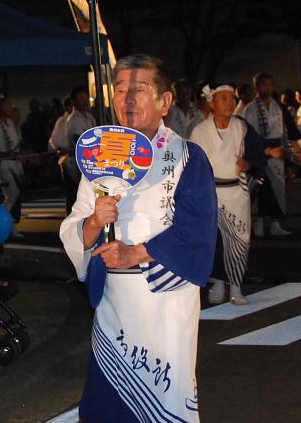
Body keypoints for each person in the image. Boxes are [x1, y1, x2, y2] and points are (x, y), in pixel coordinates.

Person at [60, 54, 217, 422]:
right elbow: (75, 227)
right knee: (106, 407)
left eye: (140, 89)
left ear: (165, 101)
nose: (128, 99)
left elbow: (198, 231)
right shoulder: (98, 157)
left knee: (163, 402)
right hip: (115, 303)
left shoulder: (186, 157)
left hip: (166, 301)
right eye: (120, 89)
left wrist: (137, 253)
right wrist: (95, 223)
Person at [190, 83, 265, 305]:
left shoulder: (241, 127)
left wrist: (248, 164)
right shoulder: (199, 131)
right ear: (212, 103)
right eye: (224, 98)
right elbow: (192, 165)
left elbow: (257, 154)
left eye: (232, 98)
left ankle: (236, 286)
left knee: (239, 239)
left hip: (236, 191)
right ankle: (218, 282)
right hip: (210, 193)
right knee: (215, 240)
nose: (230, 103)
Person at [242, 72, 301, 237]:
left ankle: (276, 223)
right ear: (257, 87)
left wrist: (292, 153)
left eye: (270, 84)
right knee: (260, 188)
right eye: (264, 85)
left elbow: (287, 131)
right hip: (258, 151)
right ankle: (259, 223)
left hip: (278, 150)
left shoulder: (278, 107)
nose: (267, 88)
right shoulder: (249, 109)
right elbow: (246, 136)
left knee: (278, 188)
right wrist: (265, 151)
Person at [0, 96, 25, 228]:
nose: (11, 108)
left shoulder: (10, 123)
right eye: (8, 106)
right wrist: (8, 153)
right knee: (12, 194)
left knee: (16, 194)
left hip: (15, 162)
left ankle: (9, 223)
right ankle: (0, 222)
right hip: (3, 163)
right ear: (1, 108)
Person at [63, 86, 96, 213]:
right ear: (74, 102)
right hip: (77, 160)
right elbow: (79, 140)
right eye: (81, 98)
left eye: (86, 98)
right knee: (76, 193)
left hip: (90, 159)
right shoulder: (73, 119)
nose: (85, 101)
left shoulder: (89, 116)